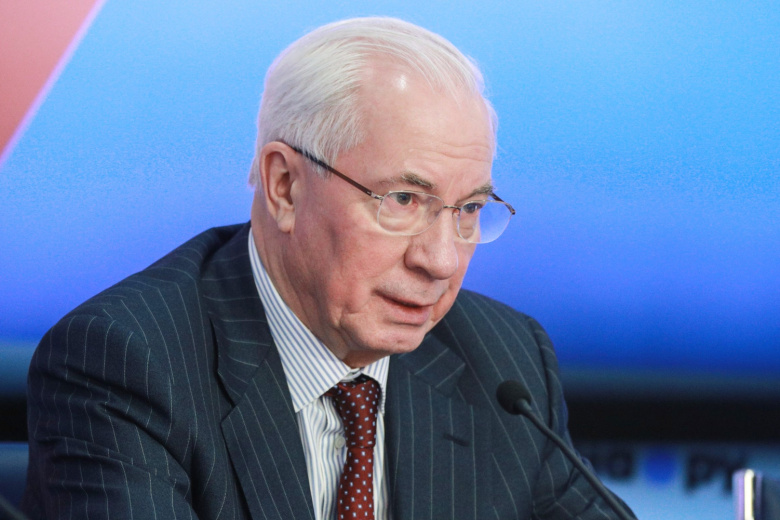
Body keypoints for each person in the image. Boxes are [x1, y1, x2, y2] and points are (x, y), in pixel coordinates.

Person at [22, 16, 634, 520]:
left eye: (469, 209)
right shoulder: (125, 364)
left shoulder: (504, 362)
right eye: (403, 200)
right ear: (284, 186)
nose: (441, 260)